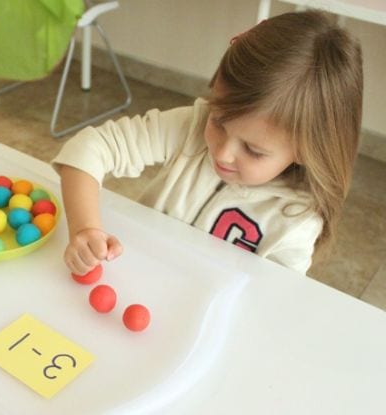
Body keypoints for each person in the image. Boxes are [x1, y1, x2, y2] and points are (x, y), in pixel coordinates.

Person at [51, 10, 363, 275]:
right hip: (136, 282)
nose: (223, 153)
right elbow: (90, 147)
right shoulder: (192, 125)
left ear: (307, 150)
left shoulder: (296, 222)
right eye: (219, 121)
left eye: (253, 150)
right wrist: (84, 228)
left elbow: (267, 310)